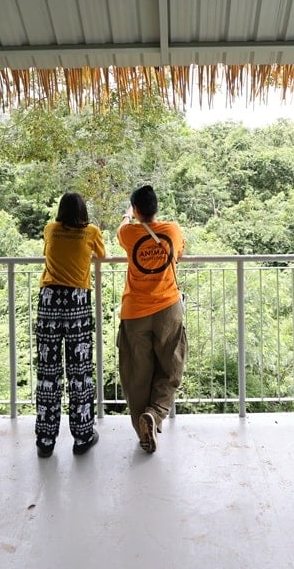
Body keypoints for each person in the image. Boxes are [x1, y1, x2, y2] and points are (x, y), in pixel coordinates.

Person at [116, 184, 186, 453]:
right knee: (171, 366)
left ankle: (142, 432)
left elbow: (122, 228)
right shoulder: (172, 230)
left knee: (137, 374)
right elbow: (179, 252)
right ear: (156, 207)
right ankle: (155, 414)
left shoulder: (128, 233)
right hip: (168, 308)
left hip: (135, 312)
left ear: (136, 209)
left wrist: (127, 216)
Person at [35, 192, 106, 458]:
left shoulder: (50, 229)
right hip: (77, 302)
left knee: (48, 372)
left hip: (50, 300)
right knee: (79, 371)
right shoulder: (91, 232)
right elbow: (102, 255)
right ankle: (82, 436)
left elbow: (47, 251)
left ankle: (45, 440)